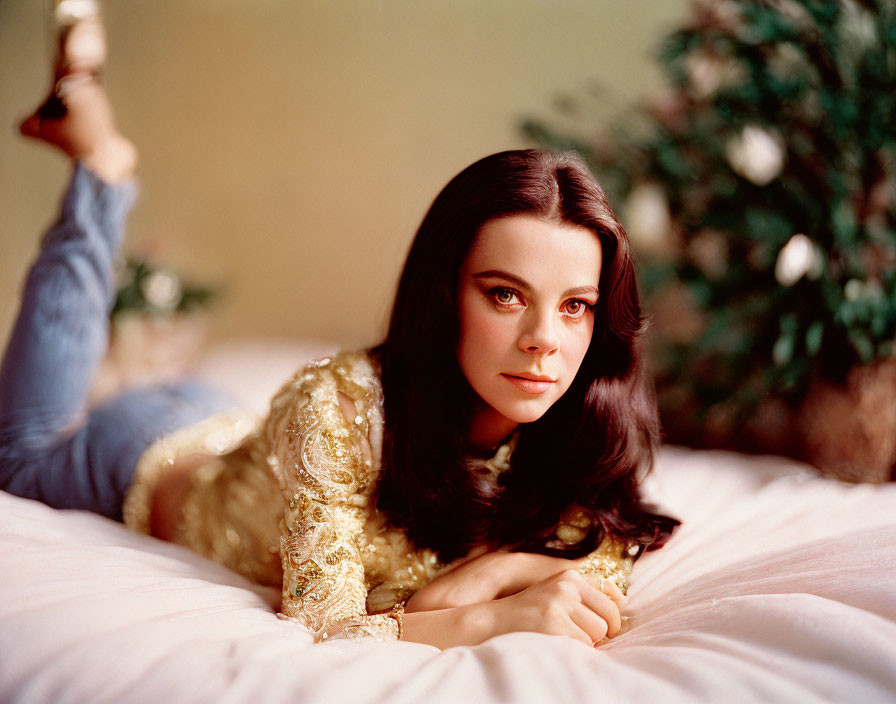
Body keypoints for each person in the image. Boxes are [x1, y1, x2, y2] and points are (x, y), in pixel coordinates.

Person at [1, 24, 678, 650]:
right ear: (444, 295)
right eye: (506, 294)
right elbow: (326, 626)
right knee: (16, 458)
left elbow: (605, 560)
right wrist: (476, 611)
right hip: (140, 457)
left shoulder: (579, 427)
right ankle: (102, 170)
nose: (544, 340)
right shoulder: (338, 404)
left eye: (576, 307)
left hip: (231, 429)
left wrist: (481, 573)